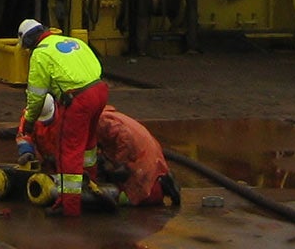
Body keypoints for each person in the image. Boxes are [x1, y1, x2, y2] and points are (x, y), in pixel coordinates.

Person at [17, 95, 180, 208]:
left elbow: (118, 136)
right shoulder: (30, 114)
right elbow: (24, 133)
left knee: (132, 195)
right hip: (54, 160)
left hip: (136, 153)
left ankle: (161, 187)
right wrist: (26, 150)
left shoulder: (77, 118)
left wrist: (118, 162)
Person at [17, 19, 110, 217]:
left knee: (69, 152)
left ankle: (69, 206)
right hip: (100, 91)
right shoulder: (71, 41)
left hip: (78, 99)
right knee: (89, 145)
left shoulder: (41, 54)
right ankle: (91, 187)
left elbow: (36, 95)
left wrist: (30, 121)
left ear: (29, 42)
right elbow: (95, 66)